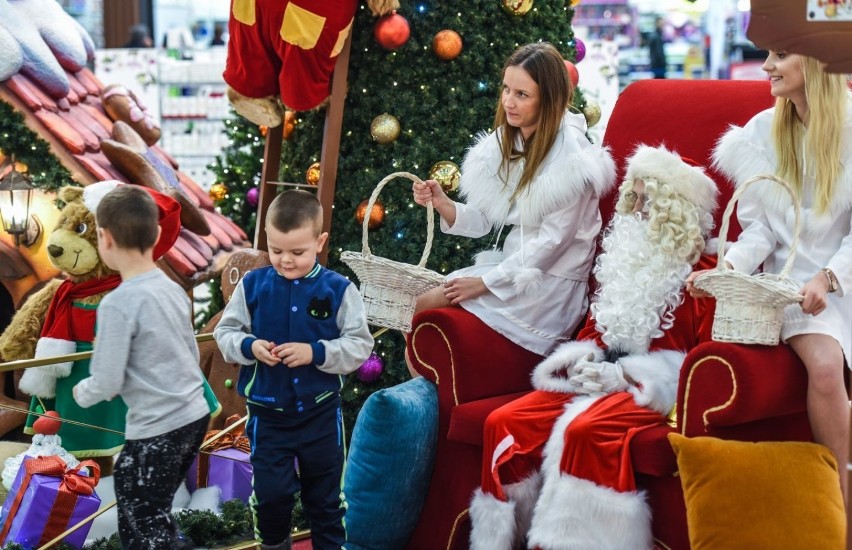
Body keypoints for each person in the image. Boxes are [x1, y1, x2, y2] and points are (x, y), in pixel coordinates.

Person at [469, 146, 719, 549]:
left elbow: (703, 361)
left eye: (647, 200)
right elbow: (593, 333)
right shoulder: (622, 260)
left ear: (676, 210)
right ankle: (502, 540)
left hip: (649, 391)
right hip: (598, 376)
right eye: (632, 197)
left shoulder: (704, 276)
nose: (635, 210)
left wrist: (626, 376)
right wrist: (583, 363)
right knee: (504, 421)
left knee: (585, 430)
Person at [688, 51, 852, 501]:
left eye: (779, 56)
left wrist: (828, 278)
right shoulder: (761, 131)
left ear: (817, 62)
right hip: (786, 286)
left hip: (840, 278)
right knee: (824, 365)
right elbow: (759, 229)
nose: (766, 66)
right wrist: (732, 267)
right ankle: (841, 497)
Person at [411, 42, 616, 365]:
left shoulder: (572, 157)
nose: (508, 102)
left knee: (427, 306)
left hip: (547, 286)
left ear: (549, 99)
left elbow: (554, 242)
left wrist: (485, 283)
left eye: (522, 94)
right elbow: (485, 218)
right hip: (512, 269)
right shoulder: (513, 139)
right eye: (506, 89)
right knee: (418, 308)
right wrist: (443, 203)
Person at [214, 190, 374, 550]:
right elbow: (225, 333)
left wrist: (316, 352)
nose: (285, 260)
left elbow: (360, 346)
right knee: (271, 498)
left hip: (320, 416)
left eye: (298, 252)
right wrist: (249, 346)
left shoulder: (339, 290)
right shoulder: (253, 286)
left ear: (320, 242)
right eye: (276, 250)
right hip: (268, 418)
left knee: (326, 502)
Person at [72, 184, 211, 550]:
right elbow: (189, 355)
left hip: (157, 426)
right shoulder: (172, 290)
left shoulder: (118, 304)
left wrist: (80, 392)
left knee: (142, 518)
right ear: (156, 235)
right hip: (192, 417)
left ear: (105, 239)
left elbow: (105, 381)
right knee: (150, 511)